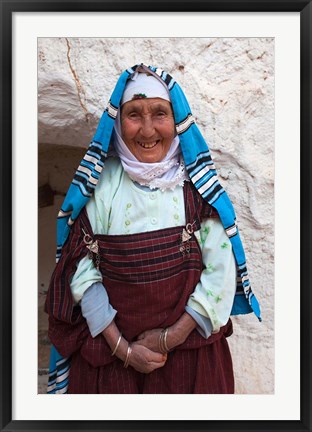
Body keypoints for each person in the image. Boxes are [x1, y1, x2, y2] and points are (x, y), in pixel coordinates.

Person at [45, 63, 261, 394]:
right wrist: (124, 349)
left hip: (191, 360)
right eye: (134, 114)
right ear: (118, 121)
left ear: (176, 121)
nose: (147, 131)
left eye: (159, 113)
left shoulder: (196, 190)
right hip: (112, 365)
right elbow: (82, 273)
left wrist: (169, 337)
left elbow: (220, 270)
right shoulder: (100, 190)